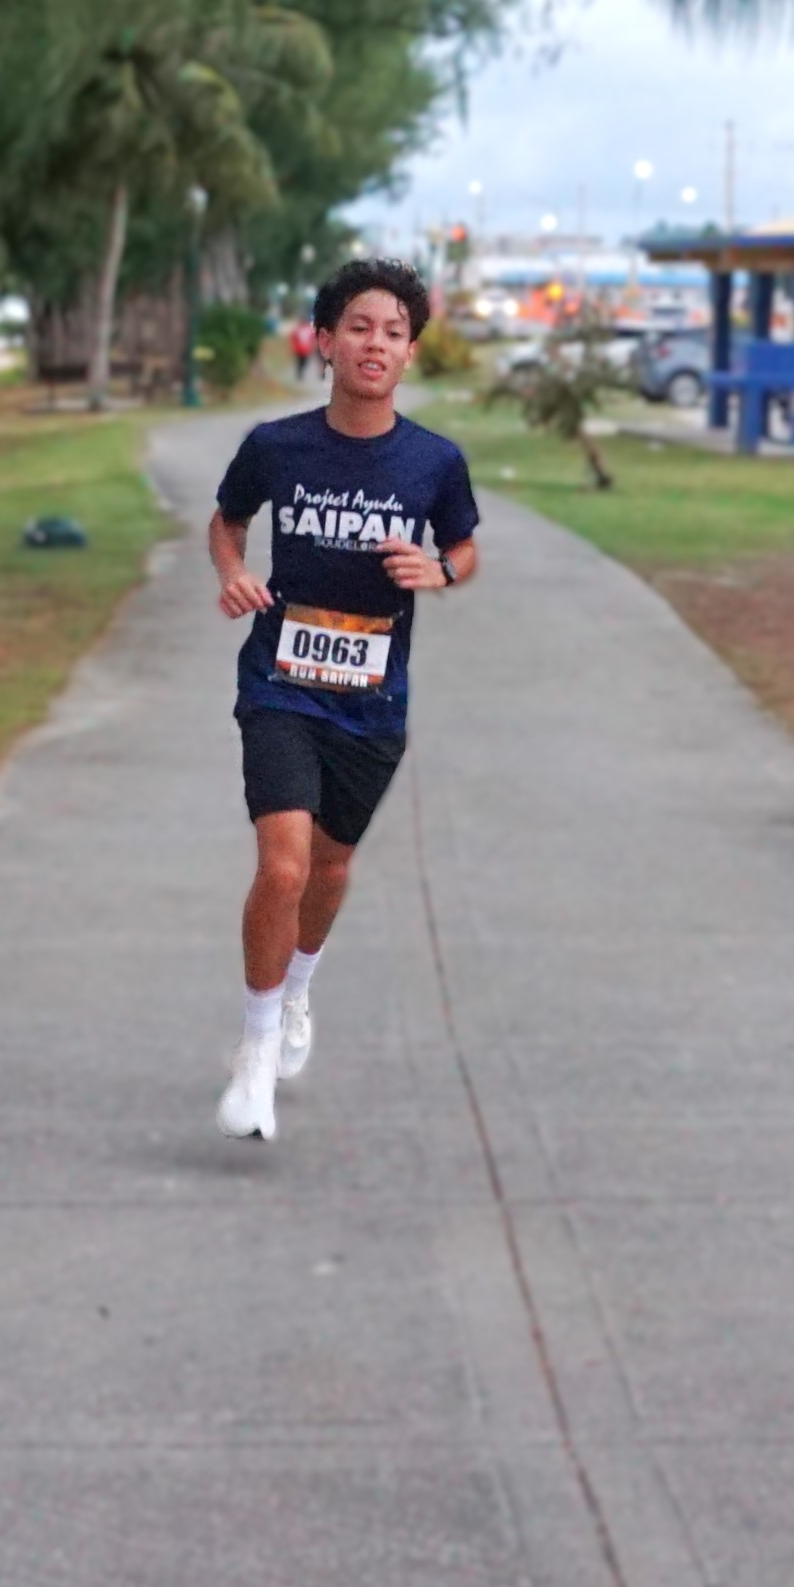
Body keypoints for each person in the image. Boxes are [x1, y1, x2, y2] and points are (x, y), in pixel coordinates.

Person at [207, 259, 481, 1144]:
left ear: (409, 355)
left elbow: (464, 548)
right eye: (358, 326)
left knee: (327, 869)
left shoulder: (435, 461)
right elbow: (227, 518)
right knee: (281, 865)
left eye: (394, 331)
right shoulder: (277, 446)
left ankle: (296, 988)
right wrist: (234, 572)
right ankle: (252, 1056)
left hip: (371, 699)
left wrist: (438, 571)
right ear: (324, 342)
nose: (375, 342)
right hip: (281, 682)